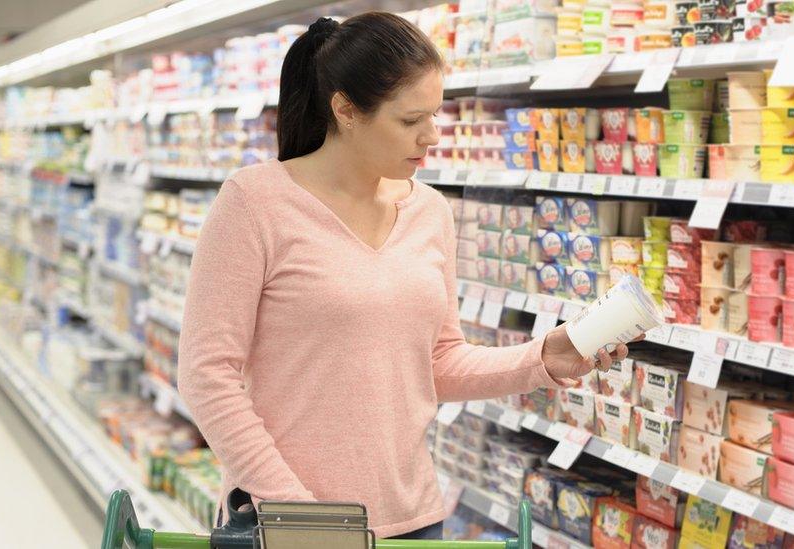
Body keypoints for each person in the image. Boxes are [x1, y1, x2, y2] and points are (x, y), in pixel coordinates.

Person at [178, 12, 639, 540]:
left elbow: (438, 361)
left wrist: (543, 357)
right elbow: (207, 375)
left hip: (413, 518)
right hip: (284, 522)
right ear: (346, 110)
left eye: (436, 114)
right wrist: (299, 513)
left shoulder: (431, 211)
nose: (433, 135)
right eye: (410, 120)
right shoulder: (255, 202)